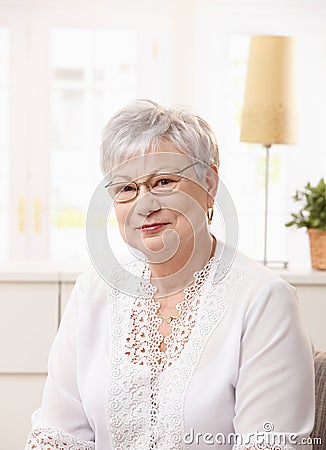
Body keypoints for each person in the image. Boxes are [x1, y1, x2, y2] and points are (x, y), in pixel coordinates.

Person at [25, 100, 315, 450]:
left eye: (163, 181)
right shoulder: (92, 293)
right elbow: (57, 435)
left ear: (209, 183)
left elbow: (271, 444)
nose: (144, 204)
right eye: (126, 189)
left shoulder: (264, 300)